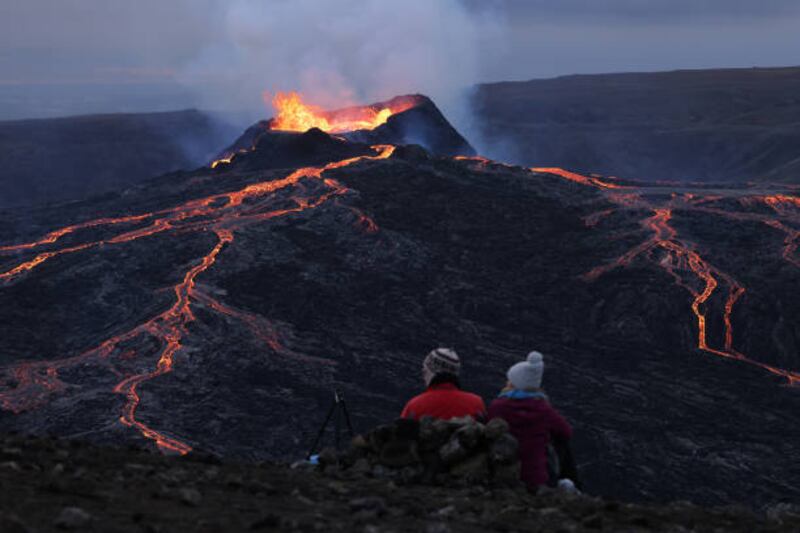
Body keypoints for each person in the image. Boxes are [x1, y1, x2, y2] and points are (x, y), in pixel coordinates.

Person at [487, 351, 580, 492]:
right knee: (560, 441)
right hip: (537, 480)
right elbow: (566, 431)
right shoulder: (543, 409)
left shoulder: (498, 406)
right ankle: (572, 485)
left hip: (503, 477)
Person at [400, 348, 486, 421]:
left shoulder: (415, 406)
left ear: (432, 372)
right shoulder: (477, 403)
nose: (423, 374)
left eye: (425, 369)